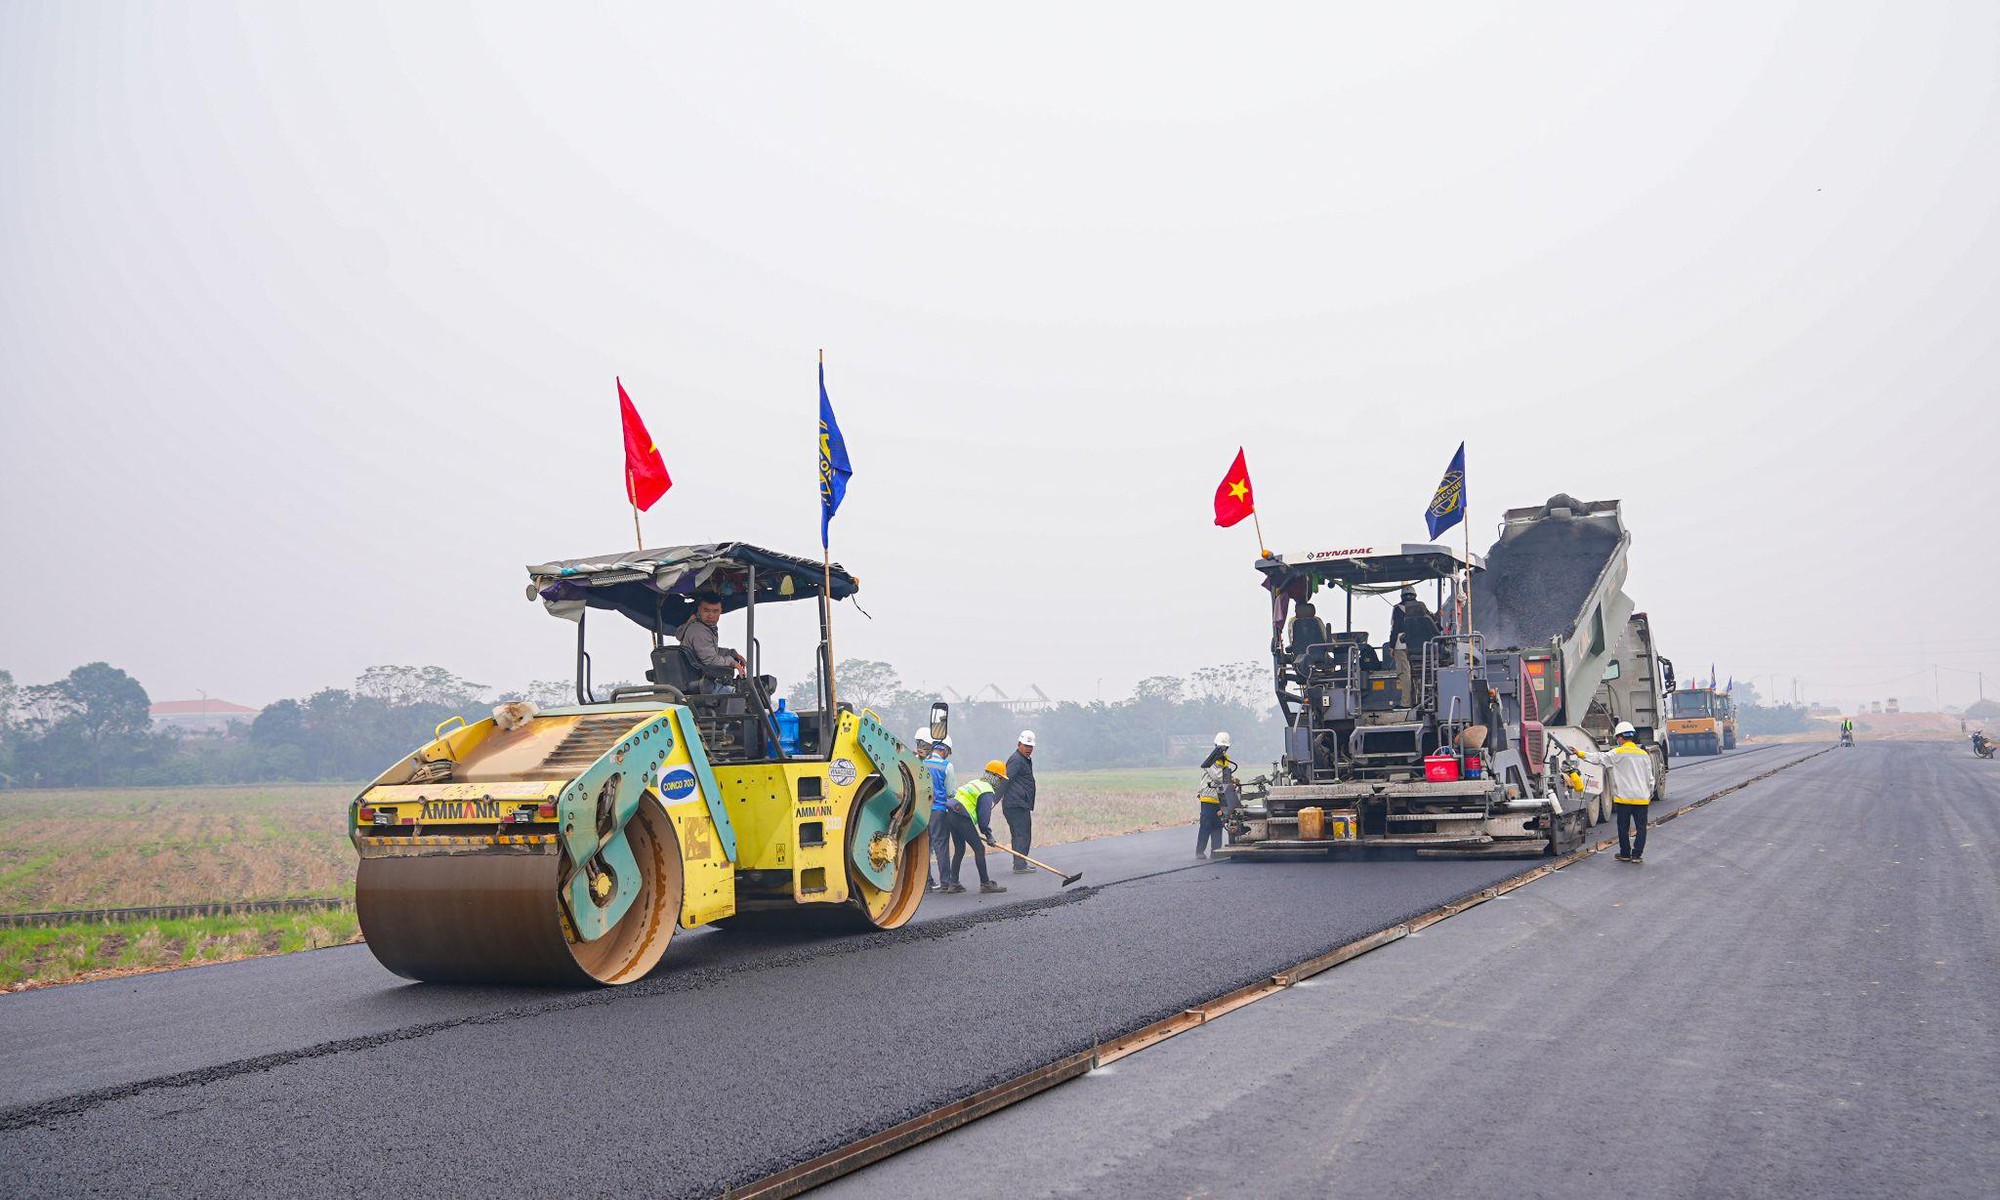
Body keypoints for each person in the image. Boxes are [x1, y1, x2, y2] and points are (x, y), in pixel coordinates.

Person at [1576, 721, 1656, 863]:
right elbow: (1650, 778)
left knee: (1623, 827)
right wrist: (1648, 794)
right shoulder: (1644, 754)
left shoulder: (1617, 753)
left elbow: (1599, 758)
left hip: (1623, 798)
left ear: (1620, 738)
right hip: (1641, 798)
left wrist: (1580, 754)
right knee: (1641, 827)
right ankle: (1637, 855)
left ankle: (1625, 854)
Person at [944, 760, 1009, 894]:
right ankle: (985, 884)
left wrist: (986, 833)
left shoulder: (975, 782)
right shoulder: (986, 791)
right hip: (962, 817)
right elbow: (983, 818)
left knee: (959, 849)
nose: (1001, 782)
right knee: (979, 849)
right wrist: (988, 835)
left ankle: (953, 883)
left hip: (950, 813)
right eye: (1001, 778)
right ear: (995, 777)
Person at [675, 592, 746, 693]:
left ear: (720, 611)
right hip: (698, 683)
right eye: (706, 610)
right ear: (699, 609)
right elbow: (711, 660)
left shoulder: (704, 628)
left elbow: (707, 650)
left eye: (715, 611)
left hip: (697, 680)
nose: (711, 615)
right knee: (739, 694)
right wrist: (732, 662)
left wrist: (731, 653)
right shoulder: (699, 630)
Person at [1388, 586, 1440, 700]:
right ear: (1415, 595)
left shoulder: (1397, 609)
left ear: (1402, 596)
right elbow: (1435, 624)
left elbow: (1395, 629)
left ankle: (1406, 702)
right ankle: (1422, 699)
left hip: (1401, 645)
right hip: (1422, 647)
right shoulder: (1422, 608)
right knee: (1421, 672)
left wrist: (1391, 647)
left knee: (1404, 673)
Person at [1001, 730, 1038, 873]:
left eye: (1031, 746)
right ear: (1019, 744)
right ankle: (1020, 865)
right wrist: (994, 800)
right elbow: (1006, 780)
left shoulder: (1023, 759)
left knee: (1018, 834)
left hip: (1018, 803)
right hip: (1016, 804)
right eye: (1026, 746)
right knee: (1022, 834)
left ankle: (1019, 863)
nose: (1029, 749)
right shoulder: (1017, 760)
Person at [1195, 732, 1235, 859]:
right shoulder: (1210, 759)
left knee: (1218, 824)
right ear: (1216, 746)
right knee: (1206, 824)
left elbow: (1226, 775)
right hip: (1208, 798)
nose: (1223, 750)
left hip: (1220, 798)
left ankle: (1216, 851)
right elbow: (1218, 776)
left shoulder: (1225, 760)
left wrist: (1232, 781)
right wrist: (1231, 779)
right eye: (1221, 747)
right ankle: (1200, 851)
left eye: (1225, 747)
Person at [925, 737, 956, 891]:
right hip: (939, 810)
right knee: (941, 845)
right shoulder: (946, 766)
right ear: (944, 750)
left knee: (925, 846)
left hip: (923, 811)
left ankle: (926, 882)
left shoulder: (922, 763)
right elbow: (951, 792)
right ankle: (945, 882)